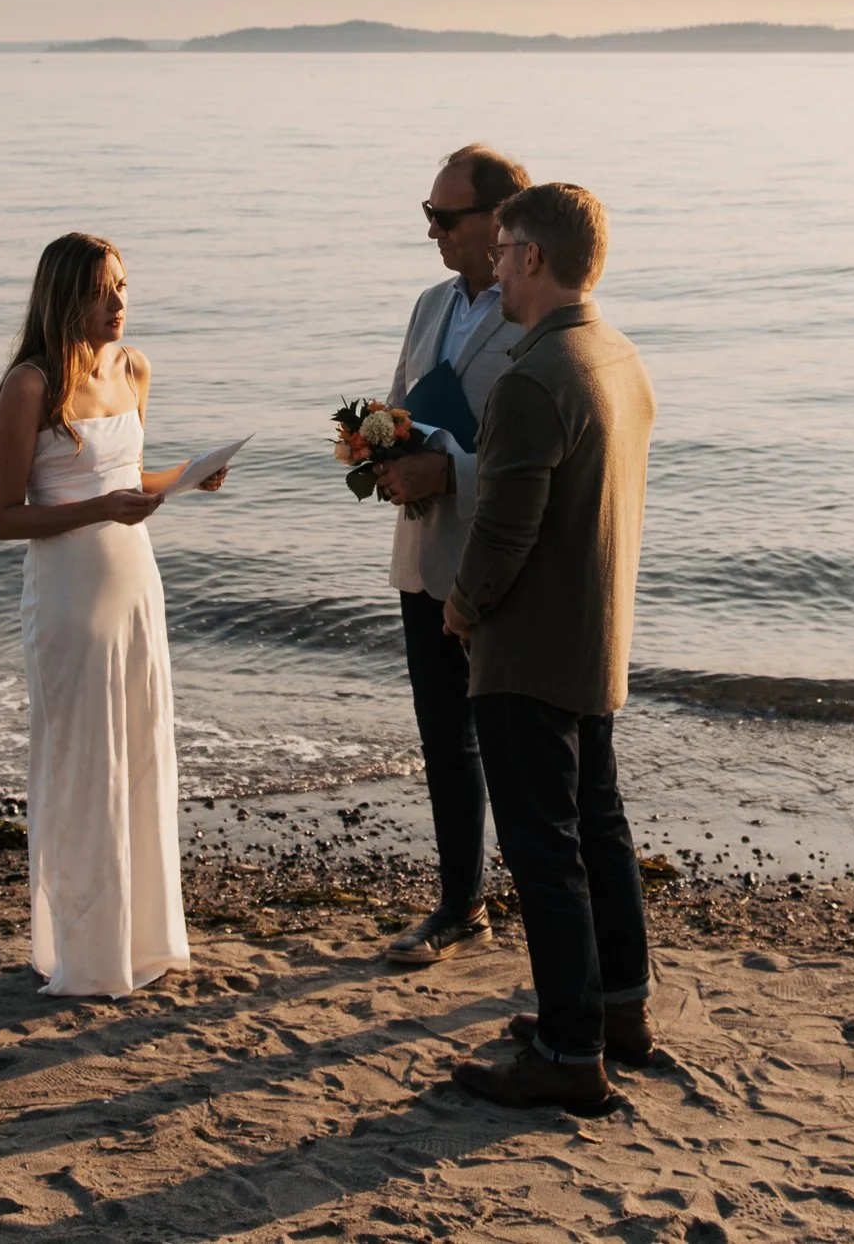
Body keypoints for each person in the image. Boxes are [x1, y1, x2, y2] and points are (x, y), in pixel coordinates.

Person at [442, 183, 657, 1113]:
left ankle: (571, 1055)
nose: (493, 263)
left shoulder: (533, 378)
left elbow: (505, 532)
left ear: (532, 256)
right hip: (596, 631)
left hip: (529, 646)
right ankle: (616, 1008)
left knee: (546, 849)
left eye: (503, 250)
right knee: (598, 830)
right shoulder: (615, 354)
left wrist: (460, 606)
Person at [0, 232, 223, 997]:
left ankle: (145, 940)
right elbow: (5, 517)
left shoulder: (134, 368)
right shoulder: (28, 386)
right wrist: (106, 507)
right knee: (84, 763)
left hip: (135, 583)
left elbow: (127, 477)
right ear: (65, 298)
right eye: (101, 291)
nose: (119, 303)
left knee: (142, 750)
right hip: (68, 595)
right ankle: (83, 954)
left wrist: (185, 478)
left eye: (122, 286)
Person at [373, 144, 530, 967]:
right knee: (444, 737)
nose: (432, 231)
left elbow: (536, 453)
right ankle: (460, 901)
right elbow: (402, 398)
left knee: (517, 741)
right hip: (426, 548)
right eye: (427, 216)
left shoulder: (533, 310)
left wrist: (452, 469)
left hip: (502, 559)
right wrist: (383, 450)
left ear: (500, 220)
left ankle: (544, 908)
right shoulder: (431, 302)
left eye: (445, 217)